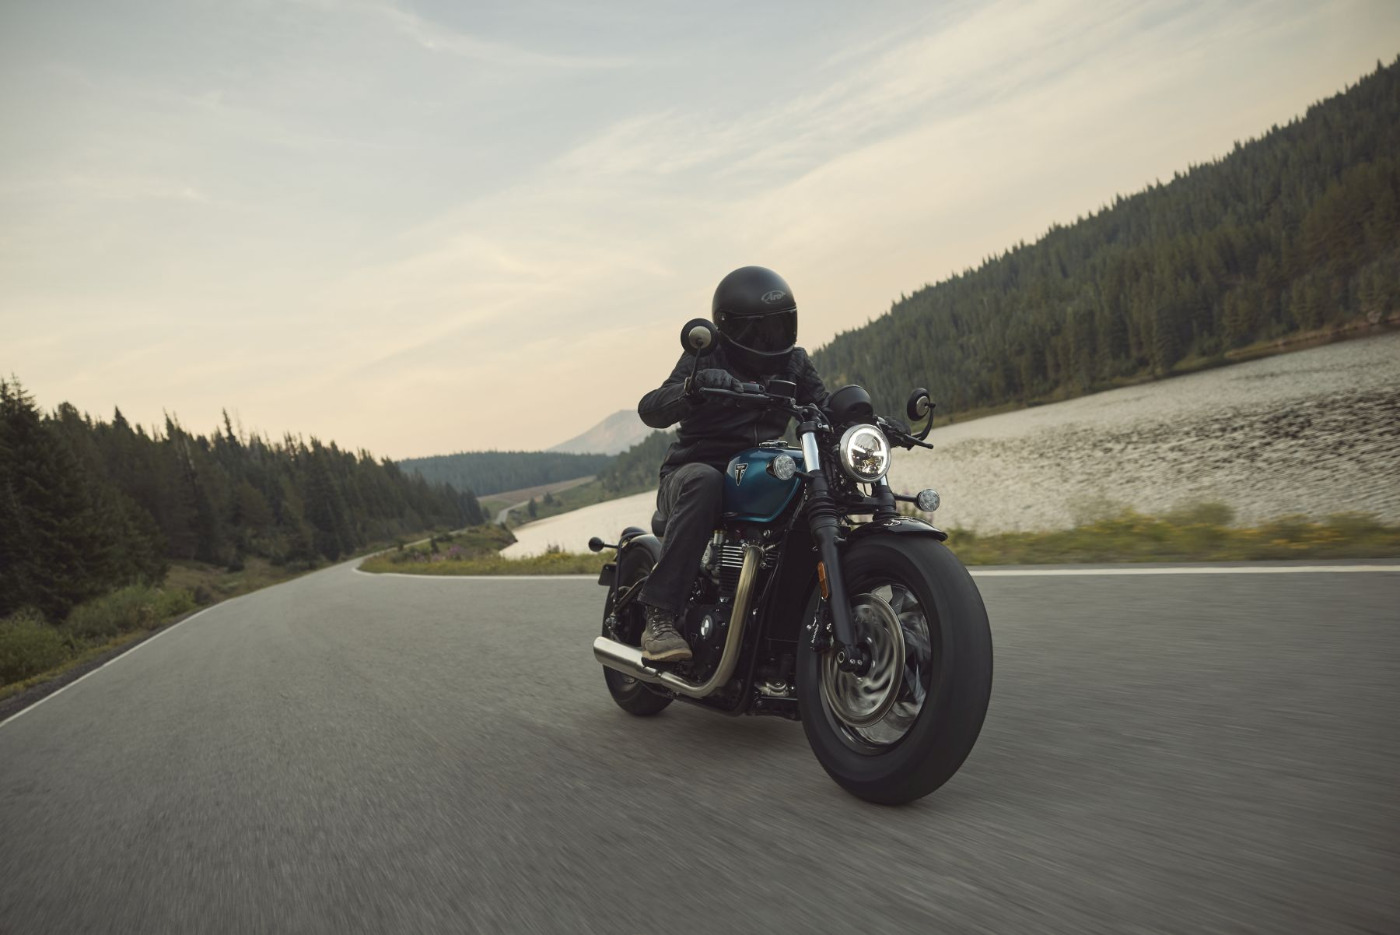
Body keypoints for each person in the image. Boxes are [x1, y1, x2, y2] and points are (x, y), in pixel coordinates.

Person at [634, 266, 830, 662]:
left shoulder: (794, 363)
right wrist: (693, 388)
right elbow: (651, 408)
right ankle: (660, 616)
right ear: (730, 329)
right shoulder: (705, 355)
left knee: (817, 488)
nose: (769, 338)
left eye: (779, 326)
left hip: (757, 471)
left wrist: (862, 418)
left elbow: (825, 408)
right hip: (690, 474)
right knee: (706, 481)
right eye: (758, 330)